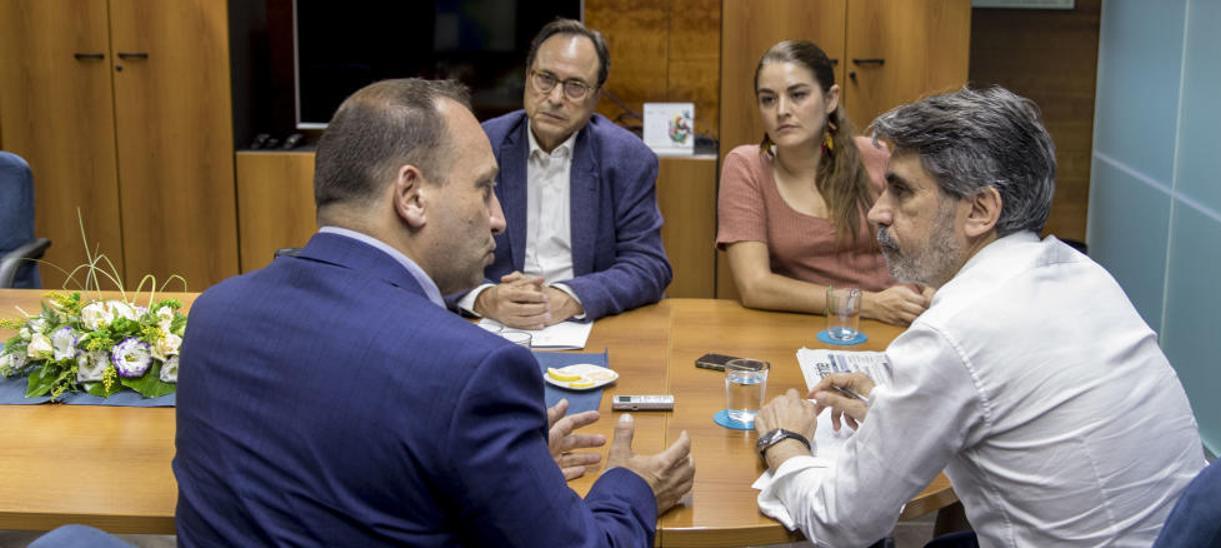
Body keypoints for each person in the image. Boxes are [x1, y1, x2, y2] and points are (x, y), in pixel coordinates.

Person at [173, 78, 694, 546]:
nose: (498, 219)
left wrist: (510, 477)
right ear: (411, 195)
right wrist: (632, 487)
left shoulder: (214, 314)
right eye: (485, 188)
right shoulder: (470, 371)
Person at [751, 86, 1205, 546]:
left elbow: (843, 522)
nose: (877, 212)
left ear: (981, 210)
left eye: (901, 191)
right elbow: (1022, 419)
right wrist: (887, 411)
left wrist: (785, 444)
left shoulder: (954, 333)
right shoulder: (1086, 275)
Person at [453, 19, 671, 329]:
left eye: (575, 86)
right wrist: (486, 298)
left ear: (596, 97)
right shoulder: (479, 146)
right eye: (546, 79)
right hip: (490, 324)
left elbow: (649, 265)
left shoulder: (627, 159)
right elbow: (436, 253)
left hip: (582, 325)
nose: (556, 97)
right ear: (527, 78)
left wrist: (569, 297)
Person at [717, 40, 931, 325]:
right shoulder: (746, 166)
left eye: (798, 95)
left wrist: (931, 291)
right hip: (817, 325)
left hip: (903, 316)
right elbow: (755, 286)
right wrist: (865, 303)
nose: (782, 110)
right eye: (768, 99)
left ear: (830, 99)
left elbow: (925, 244)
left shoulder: (874, 154)